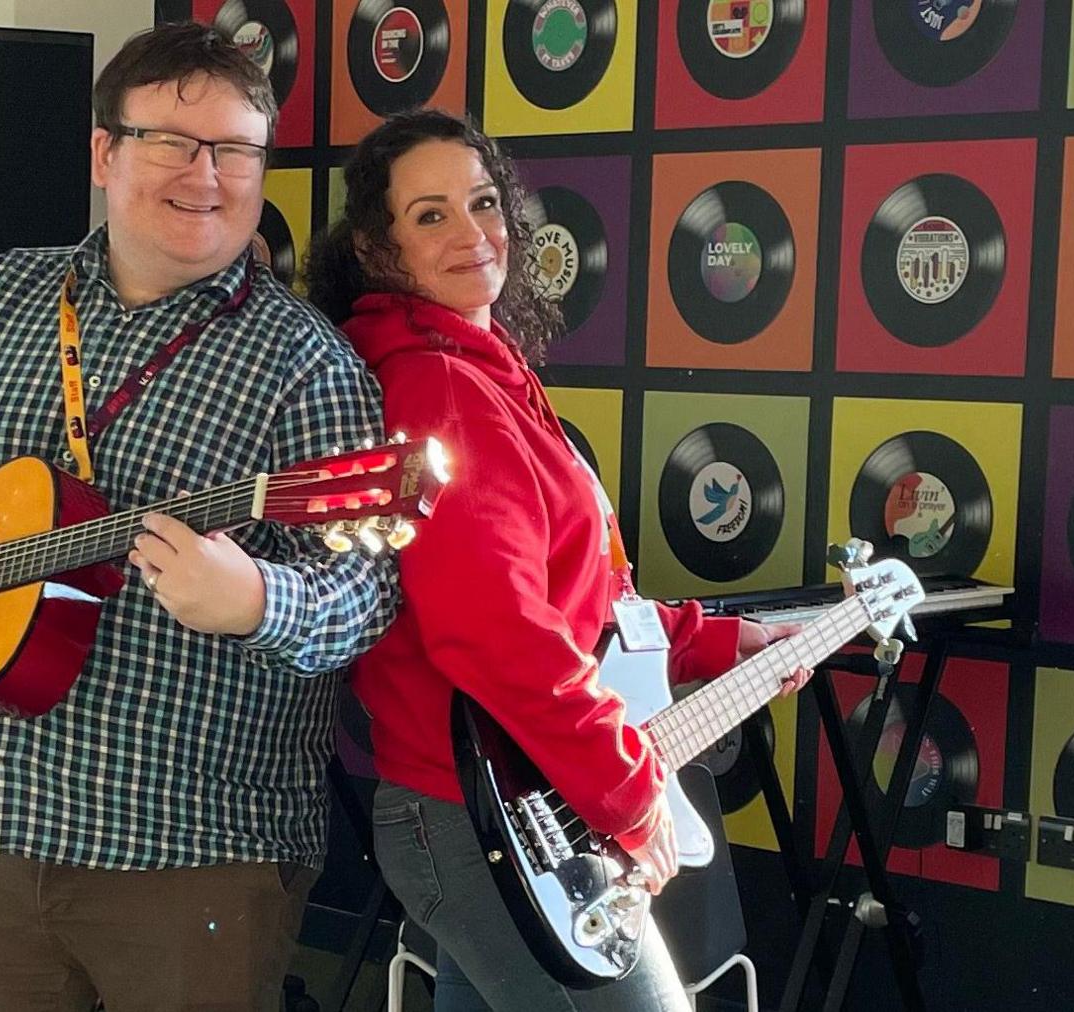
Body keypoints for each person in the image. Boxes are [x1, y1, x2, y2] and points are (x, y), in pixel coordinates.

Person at [0, 23, 399, 1012]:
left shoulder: (308, 368)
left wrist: (261, 600)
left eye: (236, 149)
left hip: (198, 857)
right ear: (105, 151)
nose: (207, 173)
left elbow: (365, 590)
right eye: (172, 142)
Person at [303, 109, 811, 1012]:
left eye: (483, 202)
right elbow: (494, 631)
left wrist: (720, 643)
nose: (472, 234)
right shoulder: (439, 386)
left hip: (488, 812)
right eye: (431, 216)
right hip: (479, 819)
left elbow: (584, 605)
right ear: (380, 252)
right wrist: (626, 791)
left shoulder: (478, 368)